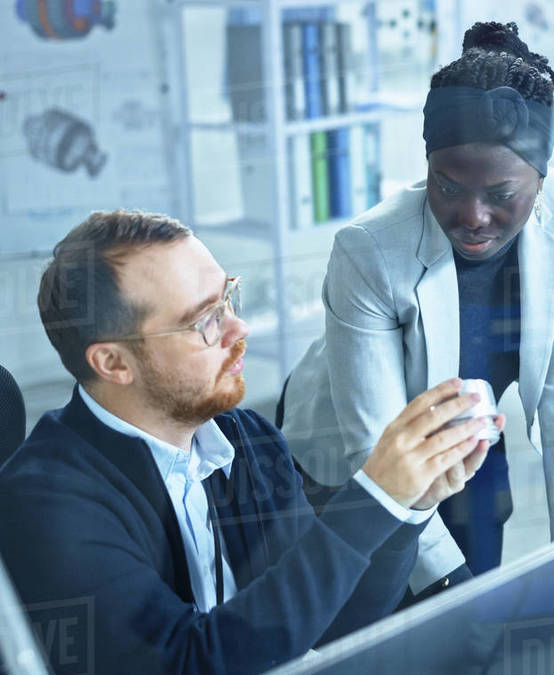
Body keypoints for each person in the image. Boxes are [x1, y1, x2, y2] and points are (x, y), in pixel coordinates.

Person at [0, 210, 500, 673]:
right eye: (204, 321)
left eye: (227, 299)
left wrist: (406, 506)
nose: (238, 328)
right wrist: (372, 497)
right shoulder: (45, 504)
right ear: (113, 364)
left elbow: (332, 620)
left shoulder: (247, 439)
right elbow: (192, 660)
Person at [282, 21, 554, 592]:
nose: (472, 216)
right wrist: (453, 592)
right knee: (398, 617)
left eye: (501, 195)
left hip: (466, 431)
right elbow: (373, 445)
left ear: (542, 178)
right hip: (350, 457)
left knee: (479, 581)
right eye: (448, 186)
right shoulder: (370, 249)